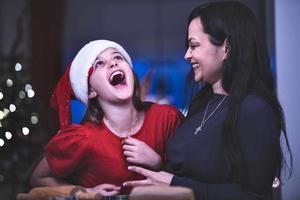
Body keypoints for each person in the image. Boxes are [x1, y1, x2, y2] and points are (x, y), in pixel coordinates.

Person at [123, 1, 292, 200]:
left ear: (227, 48)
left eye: (194, 45)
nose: (187, 55)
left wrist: (173, 183)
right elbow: (198, 173)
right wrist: (158, 164)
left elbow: (255, 196)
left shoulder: (253, 109)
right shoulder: (201, 103)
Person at [30, 40, 183, 196]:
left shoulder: (167, 119)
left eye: (118, 57)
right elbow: (38, 177)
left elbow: (194, 179)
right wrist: (85, 192)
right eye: (100, 64)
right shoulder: (81, 139)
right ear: (90, 91)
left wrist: (158, 163)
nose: (113, 63)